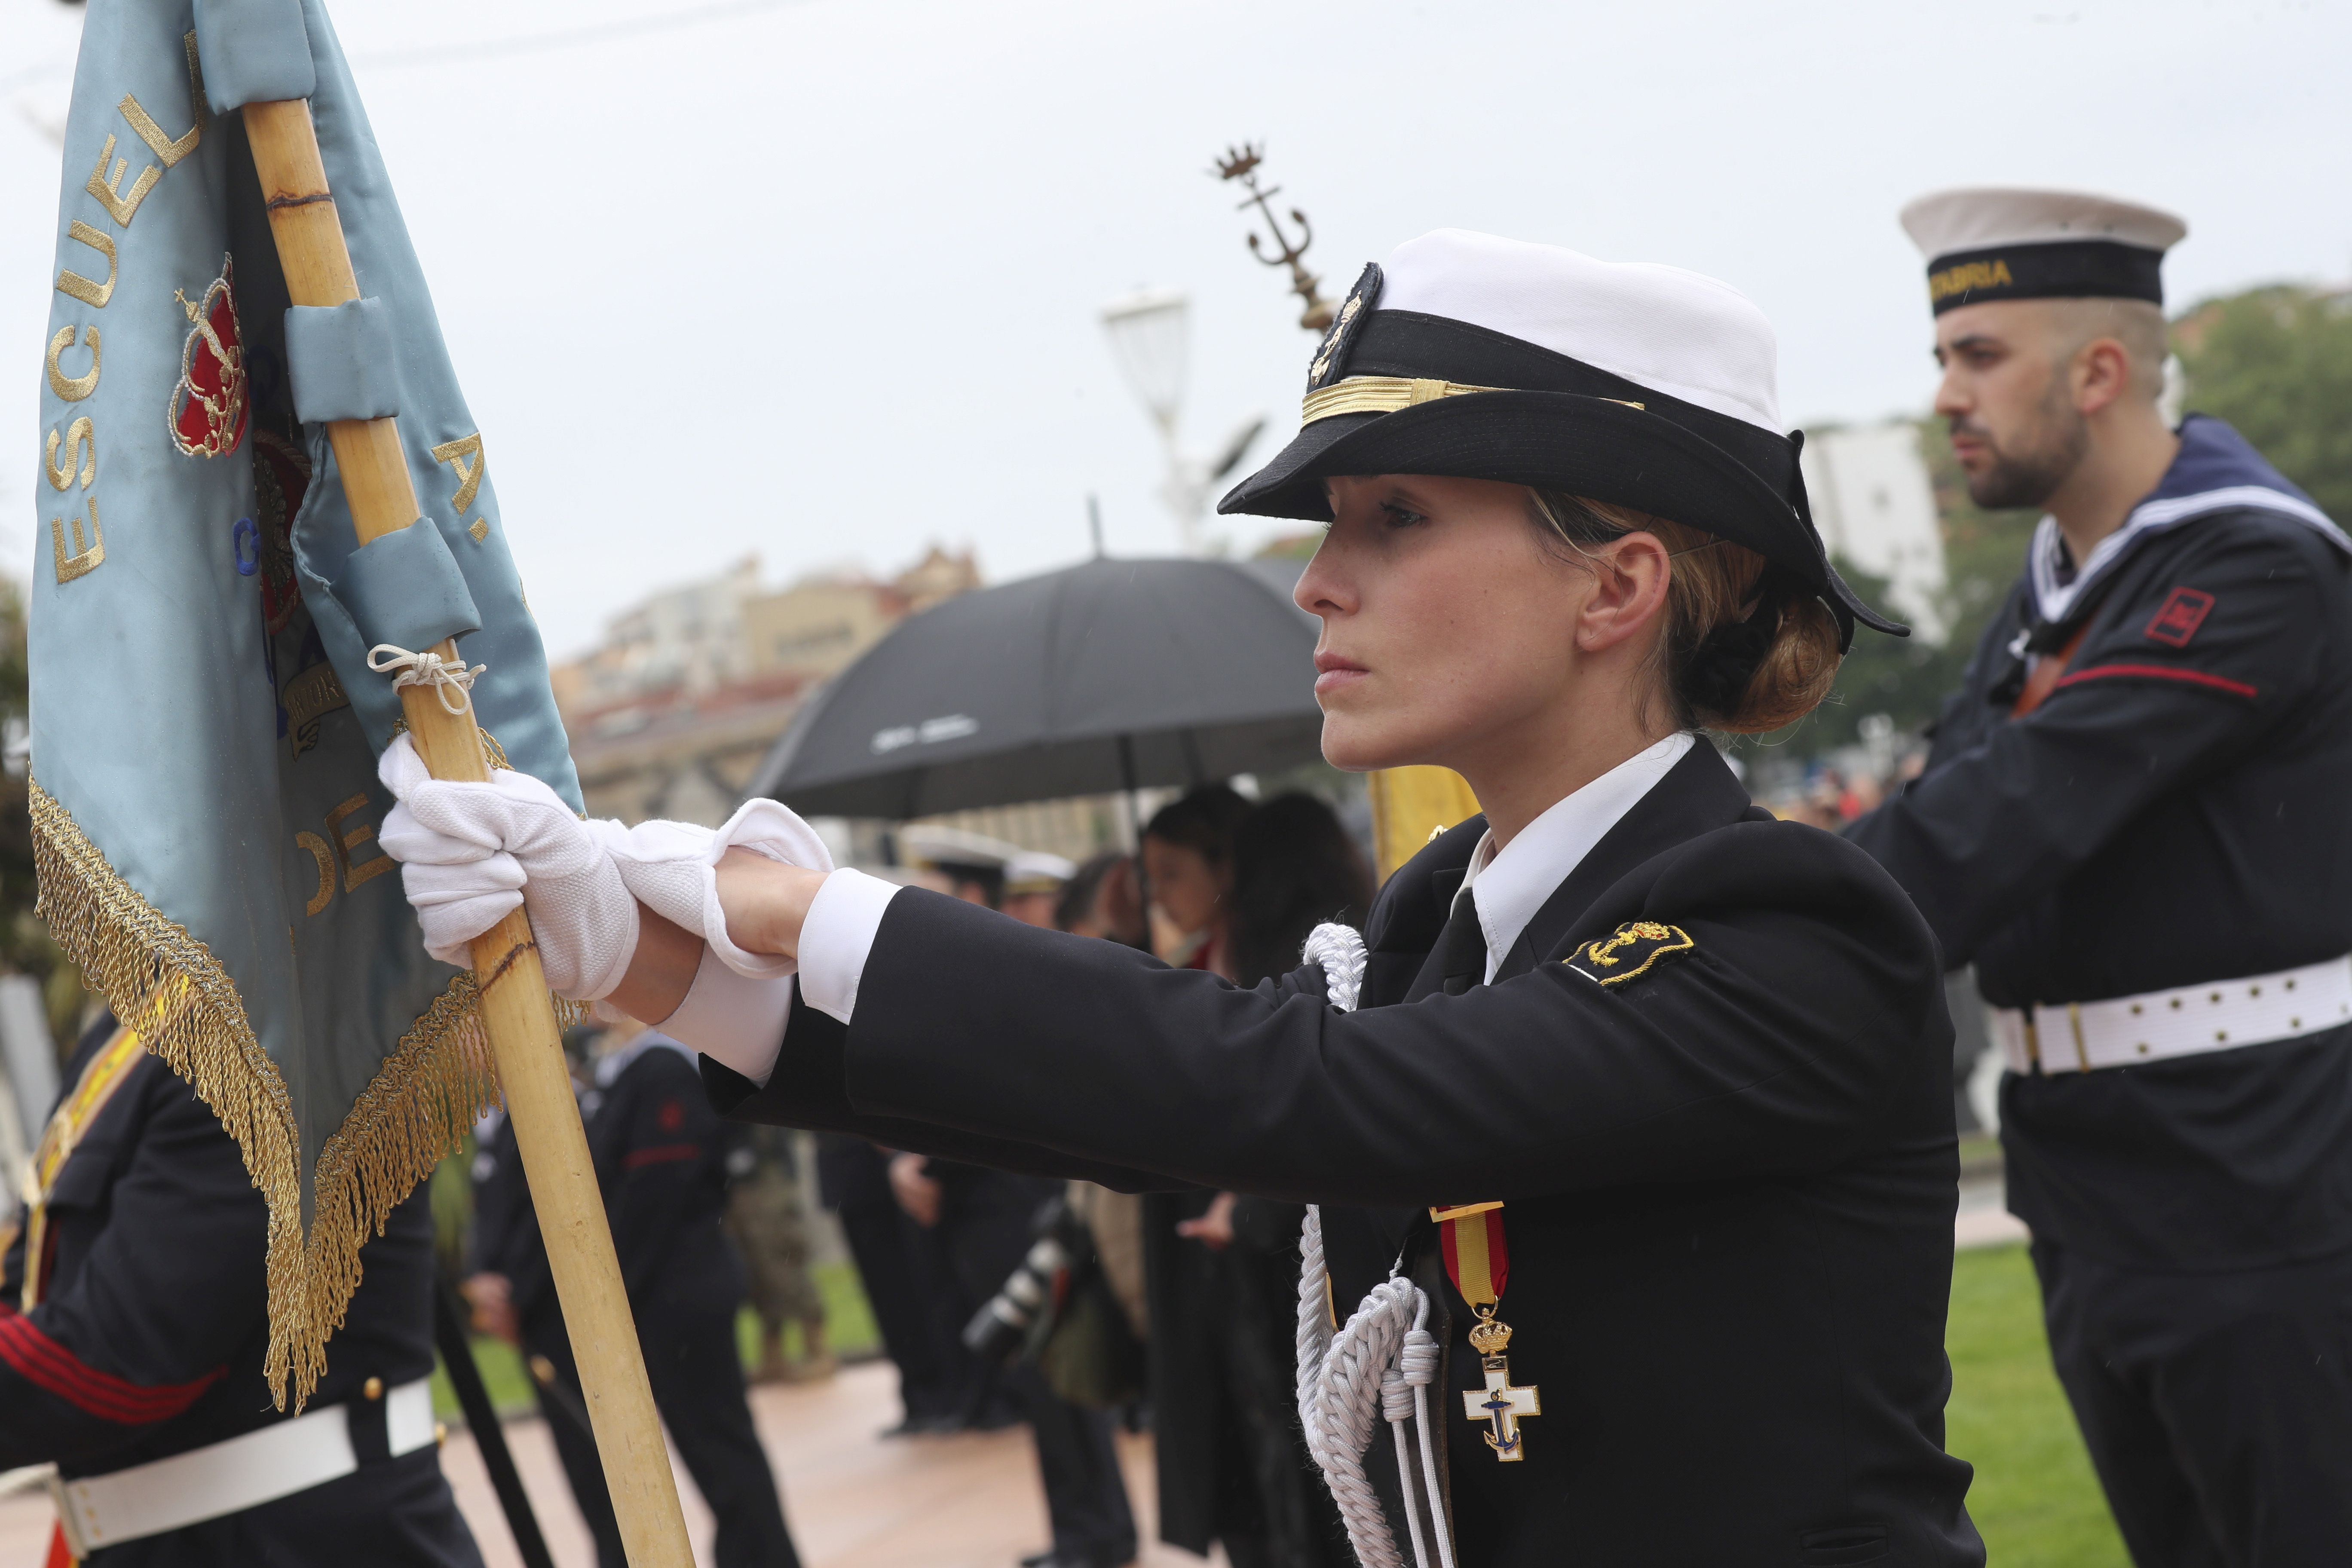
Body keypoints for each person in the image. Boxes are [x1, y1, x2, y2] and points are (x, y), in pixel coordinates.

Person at [377, 228, 1982, 1563]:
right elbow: (1133, 1108)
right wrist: (662, 964)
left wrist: (802, 908)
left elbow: (1289, 1089)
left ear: (1616, 584)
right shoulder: (1440, 918)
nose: (1317, 579)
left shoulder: (1785, 926)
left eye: (1394, 518)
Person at [1844, 188, 2352, 1564]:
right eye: (1946, 354)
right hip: (2094, 1169)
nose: (1945, 393)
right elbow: (1965, 797)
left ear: (2101, 370)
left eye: (1979, 356)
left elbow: (1987, 824)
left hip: (2255, 1169)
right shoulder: (2061, 580)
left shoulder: (2250, 556)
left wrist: (1708, 908)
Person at [2, 1008, 481, 1566]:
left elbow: (119, 1360)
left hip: (303, 1541)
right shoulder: (133, 1027)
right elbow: (35, 1278)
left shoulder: (271, 1016)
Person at [471, 1026, 803, 1568]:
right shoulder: (626, 1072)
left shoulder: (662, 1069)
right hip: (662, 1296)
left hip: (680, 1294)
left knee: (723, 1456)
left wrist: (603, 1294)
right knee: (715, 1457)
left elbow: (656, 1202)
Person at [722, 1124, 833, 1385]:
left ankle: (818, 1349)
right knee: (755, 1271)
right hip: (736, 1183)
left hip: (767, 1177)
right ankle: (774, 1357)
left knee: (783, 1262)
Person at [1139, 787, 1253, 974]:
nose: (1156, 897)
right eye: (1151, 878)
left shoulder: (1271, 961)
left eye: (1170, 874)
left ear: (1225, 866)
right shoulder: (1201, 964)